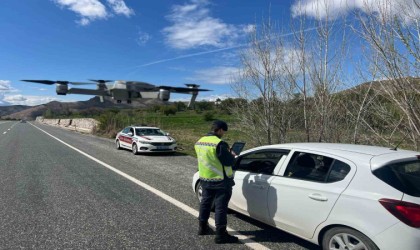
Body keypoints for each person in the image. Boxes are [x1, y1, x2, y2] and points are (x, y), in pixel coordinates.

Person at [194, 120, 238, 244]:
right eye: (223, 131)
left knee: (205, 203)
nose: (223, 134)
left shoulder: (199, 142)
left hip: (205, 179)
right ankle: (220, 235)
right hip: (221, 181)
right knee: (220, 208)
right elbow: (228, 162)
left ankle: (202, 228)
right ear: (219, 130)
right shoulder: (219, 144)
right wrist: (232, 155)